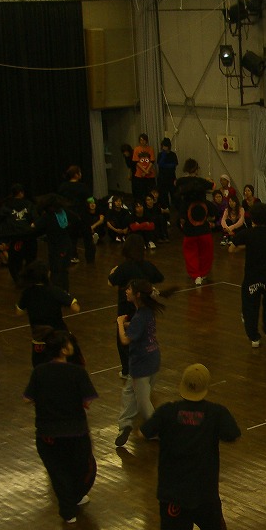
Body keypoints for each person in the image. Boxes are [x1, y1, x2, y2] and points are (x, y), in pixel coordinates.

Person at [140, 364, 240, 530]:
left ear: (183, 385)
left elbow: (144, 432)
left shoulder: (167, 412)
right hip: (204, 492)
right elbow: (233, 434)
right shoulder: (216, 413)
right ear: (206, 387)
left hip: (172, 493)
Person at [23, 330, 98, 524]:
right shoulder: (77, 372)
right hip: (75, 431)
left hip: (47, 433)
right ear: (64, 350)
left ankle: (68, 510)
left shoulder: (39, 372)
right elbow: (87, 401)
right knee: (84, 467)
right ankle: (74, 498)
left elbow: (28, 398)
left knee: (58, 471)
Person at [115, 279, 165, 447]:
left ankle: (156, 431)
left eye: (129, 289)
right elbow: (139, 327)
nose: (126, 291)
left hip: (141, 364)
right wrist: (128, 324)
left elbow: (124, 340)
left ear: (137, 295)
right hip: (153, 358)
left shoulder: (139, 316)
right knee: (129, 392)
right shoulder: (147, 312)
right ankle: (125, 426)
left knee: (143, 402)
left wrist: (120, 323)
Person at [229, 202, 266, 348]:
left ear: (252, 218)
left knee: (250, 307)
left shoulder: (247, 233)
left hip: (252, 277)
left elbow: (231, 249)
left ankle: (254, 337)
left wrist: (247, 246)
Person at [108, 235, 164, 378]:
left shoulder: (124, 268)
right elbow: (159, 277)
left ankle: (127, 370)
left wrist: (112, 272)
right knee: (144, 335)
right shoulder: (147, 266)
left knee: (124, 338)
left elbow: (111, 281)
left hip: (126, 308)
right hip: (144, 306)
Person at [17, 260, 82, 366]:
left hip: (39, 338)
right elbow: (76, 308)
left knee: (40, 367)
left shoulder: (27, 292)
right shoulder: (54, 290)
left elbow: (19, 312)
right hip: (58, 336)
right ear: (46, 274)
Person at [175, 158, 216, 285]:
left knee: (190, 252)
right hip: (203, 223)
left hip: (189, 224)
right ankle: (203, 273)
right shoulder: (201, 182)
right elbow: (213, 186)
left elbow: (176, 188)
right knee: (206, 251)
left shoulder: (181, 182)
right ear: (196, 169)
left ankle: (195, 275)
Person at [0, 183, 37, 284]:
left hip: (14, 237)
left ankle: (18, 279)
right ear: (21, 193)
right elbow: (35, 218)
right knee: (31, 259)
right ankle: (31, 279)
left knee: (15, 260)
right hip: (28, 236)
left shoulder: (7, 205)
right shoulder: (28, 204)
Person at [131, 134, 157, 202]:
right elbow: (136, 162)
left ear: (146, 141)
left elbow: (152, 161)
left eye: (144, 140)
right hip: (140, 174)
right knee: (141, 192)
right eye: (141, 140)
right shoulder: (136, 149)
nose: (142, 142)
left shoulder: (150, 149)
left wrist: (147, 171)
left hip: (150, 174)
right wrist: (145, 171)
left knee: (151, 191)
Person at [155, 137, 178, 212]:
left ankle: (175, 208)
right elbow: (160, 164)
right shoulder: (160, 154)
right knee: (163, 194)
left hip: (171, 177)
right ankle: (165, 207)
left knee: (173, 193)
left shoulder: (173, 154)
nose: (164, 147)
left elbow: (174, 165)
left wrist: (165, 165)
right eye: (163, 146)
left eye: (165, 146)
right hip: (162, 177)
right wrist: (164, 155)